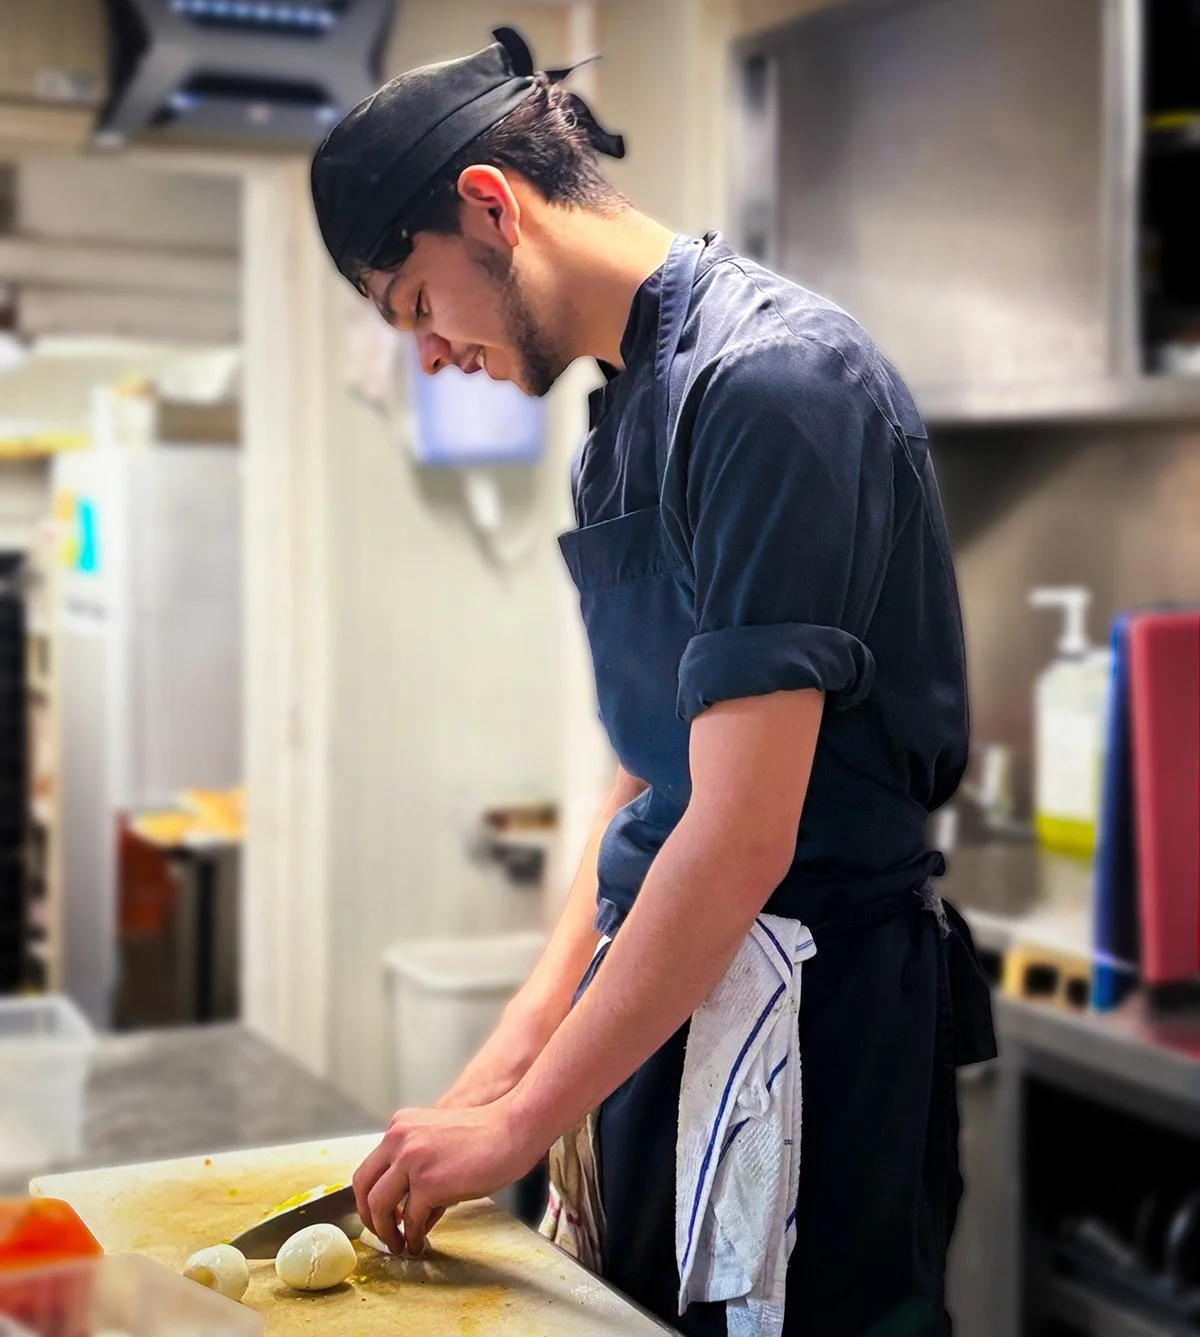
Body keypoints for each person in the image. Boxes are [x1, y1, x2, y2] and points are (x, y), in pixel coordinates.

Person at [310, 25, 996, 1337]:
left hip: (810, 1041)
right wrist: (503, 1070)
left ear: (490, 208)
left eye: (414, 308)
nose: (431, 353)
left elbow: (736, 836)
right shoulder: (620, 418)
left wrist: (522, 1119)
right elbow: (653, 779)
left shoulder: (771, 387)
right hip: (661, 1007)